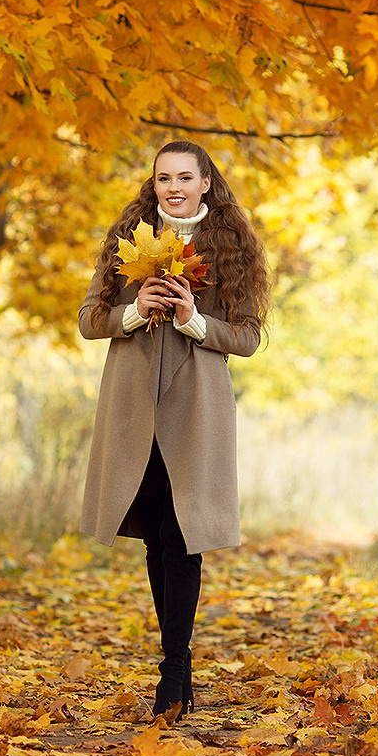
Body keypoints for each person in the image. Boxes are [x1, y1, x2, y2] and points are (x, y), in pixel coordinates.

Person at [78, 140, 270, 722]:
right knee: (157, 531)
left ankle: (175, 669)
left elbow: (247, 338)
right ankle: (174, 660)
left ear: (207, 182)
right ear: (154, 183)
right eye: (164, 178)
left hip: (196, 411)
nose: (174, 187)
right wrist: (134, 312)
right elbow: (90, 320)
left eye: (186, 176)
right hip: (134, 407)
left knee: (182, 535)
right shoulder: (126, 238)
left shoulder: (233, 247)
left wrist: (193, 320)